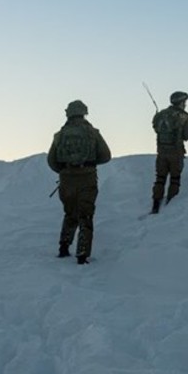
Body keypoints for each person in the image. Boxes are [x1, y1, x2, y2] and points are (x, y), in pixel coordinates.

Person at [47, 100, 112, 265]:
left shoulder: (59, 135)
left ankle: (63, 247)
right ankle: (82, 255)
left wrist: (65, 171)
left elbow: (52, 160)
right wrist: (89, 164)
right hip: (87, 178)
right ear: (84, 113)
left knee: (70, 213)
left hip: (66, 179)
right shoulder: (92, 133)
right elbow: (106, 155)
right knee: (86, 215)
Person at [150, 90, 188, 214]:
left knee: (160, 179)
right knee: (175, 179)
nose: (186, 104)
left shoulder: (161, 114)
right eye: (185, 102)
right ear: (181, 102)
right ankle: (169, 207)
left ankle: (155, 206)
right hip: (176, 153)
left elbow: (155, 127)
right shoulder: (184, 116)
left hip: (161, 153)